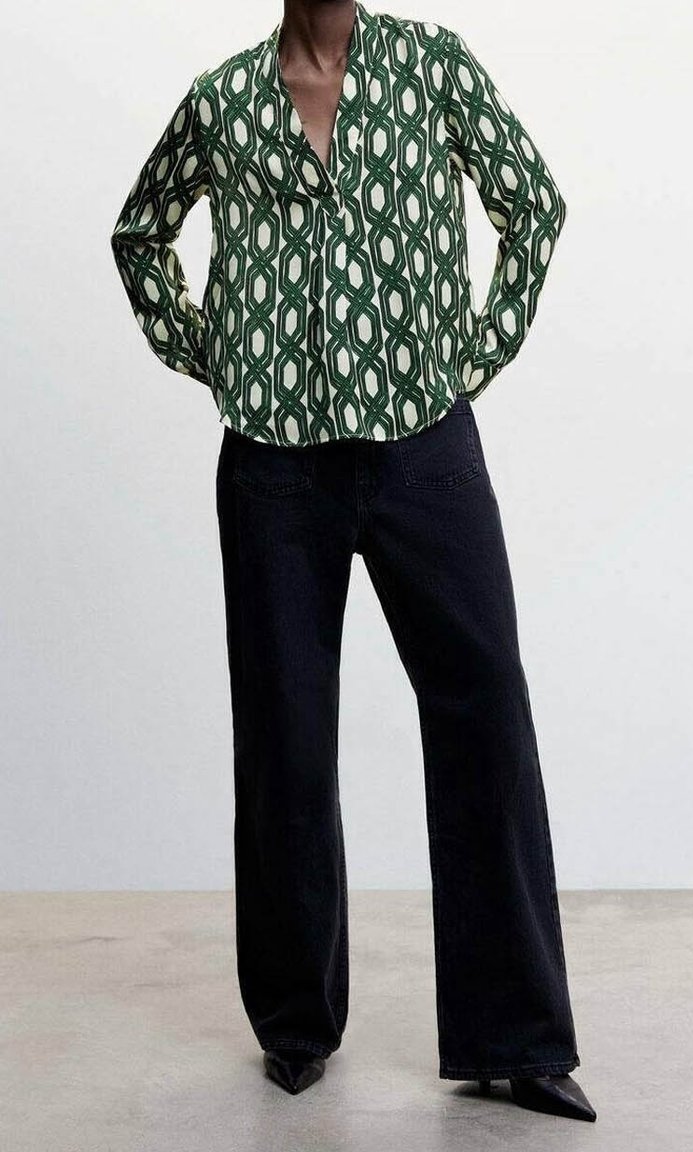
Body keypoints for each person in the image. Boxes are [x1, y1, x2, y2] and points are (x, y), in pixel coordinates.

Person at [110, 0, 595, 1122]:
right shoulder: (225, 98)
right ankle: (295, 1024)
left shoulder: (430, 65)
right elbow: (140, 235)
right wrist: (220, 354)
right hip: (274, 467)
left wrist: (472, 352)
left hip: (425, 448)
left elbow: (532, 200)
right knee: (284, 732)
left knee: (483, 713)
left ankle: (516, 1039)